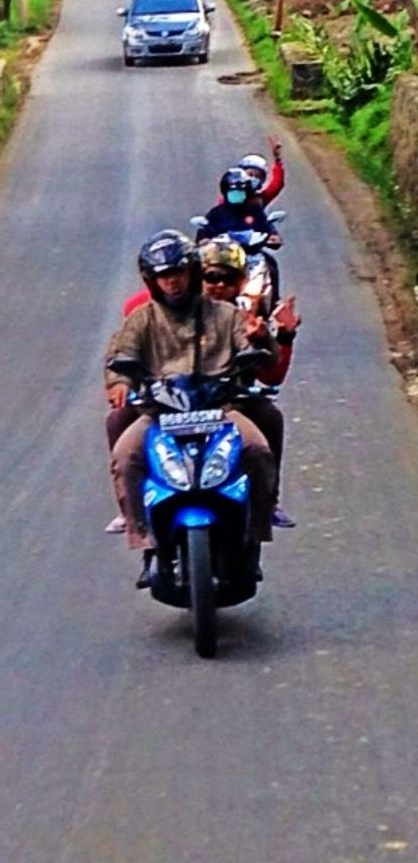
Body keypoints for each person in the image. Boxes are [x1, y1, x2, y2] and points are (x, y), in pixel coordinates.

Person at [104, 229, 279, 588]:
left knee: (258, 450)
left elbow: (256, 350)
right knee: (125, 457)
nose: (172, 282)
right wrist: (120, 383)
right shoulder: (142, 319)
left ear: (193, 271)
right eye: (163, 276)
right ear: (152, 281)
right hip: (160, 415)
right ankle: (147, 545)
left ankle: (255, 535)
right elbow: (119, 357)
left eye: (179, 273)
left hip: (220, 409)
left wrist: (261, 339)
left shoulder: (226, 315)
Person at [199, 239, 301, 528]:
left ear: (240, 282)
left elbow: (271, 375)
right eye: (211, 277)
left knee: (269, 418)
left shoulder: (247, 320)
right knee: (128, 429)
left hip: (231, 406)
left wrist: (280, 336)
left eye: (228, 278)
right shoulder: (177, 312)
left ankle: (266, 504)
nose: (219, 285)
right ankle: (139, 523)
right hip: (176, 409)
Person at [236, 135, 285, 207]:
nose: (253, 178)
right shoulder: (230, 195)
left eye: (257, 176)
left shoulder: (260, 199)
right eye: (250, 174)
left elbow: (277, 183)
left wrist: (277, 158)